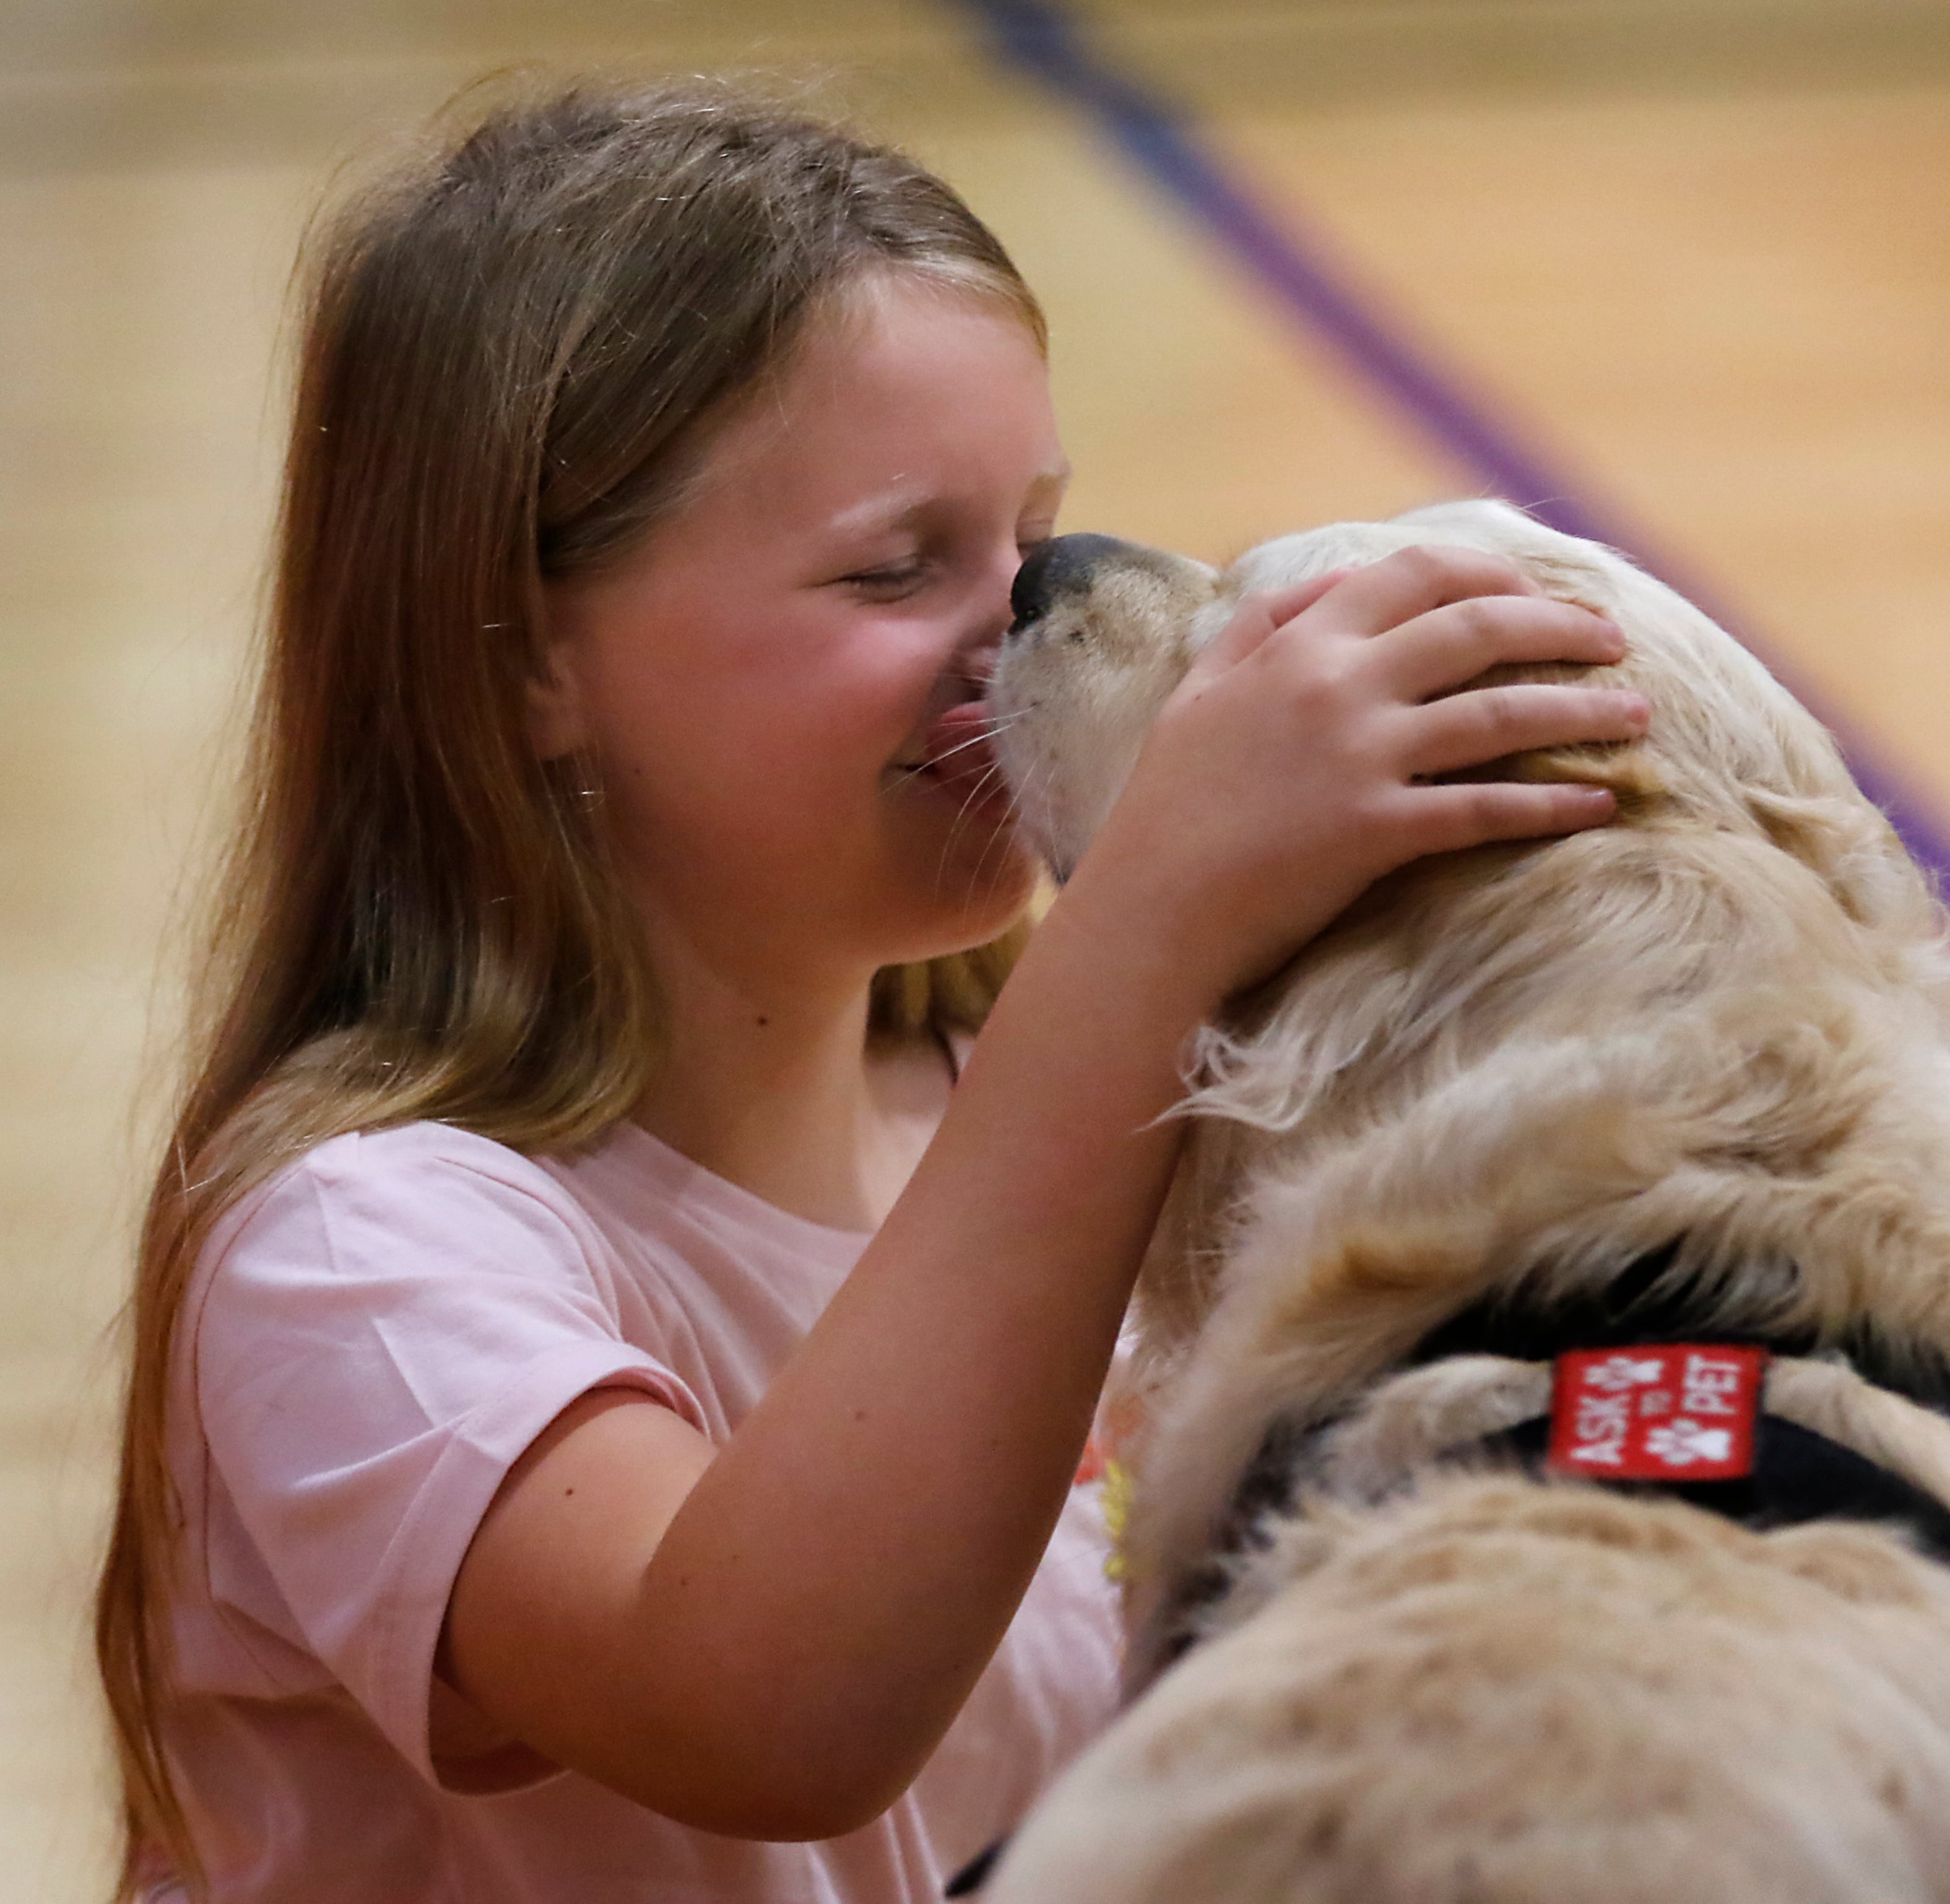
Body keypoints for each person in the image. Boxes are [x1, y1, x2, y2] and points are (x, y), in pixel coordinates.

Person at [92, 74, 1647, 1903]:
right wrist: (1156, 916)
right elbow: (769, 1711)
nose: (1023, 626)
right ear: (524, 659)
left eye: (1033, 535)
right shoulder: (357, 1254)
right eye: (896, 567)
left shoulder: (1031, 1083)